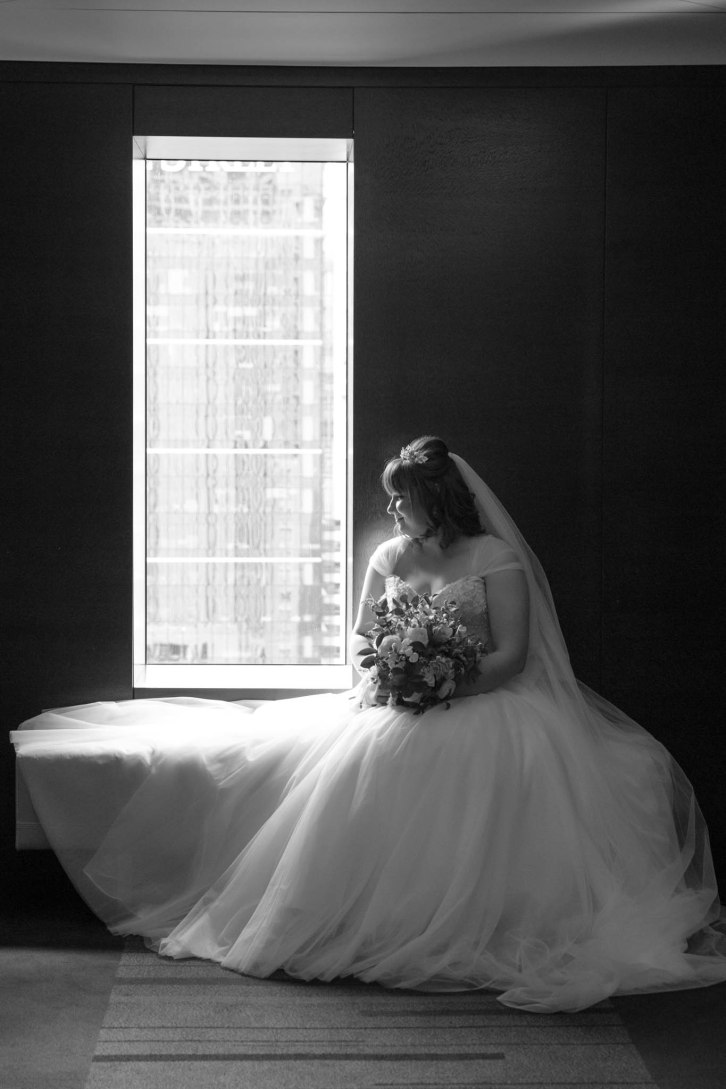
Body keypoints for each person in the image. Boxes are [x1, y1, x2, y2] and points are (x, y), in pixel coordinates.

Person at [11, 435, 726, 1013]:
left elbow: (510, 656)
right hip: (396, 702)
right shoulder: (389, 556)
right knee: (352, 770)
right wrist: (393, 675)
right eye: (390, 498)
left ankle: (470, 921)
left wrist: (444, 682)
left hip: (489, 703)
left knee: (478, 769)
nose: (391, 509)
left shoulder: (495, 558)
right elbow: (360, 640)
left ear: (435, 499)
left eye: (401, 498)